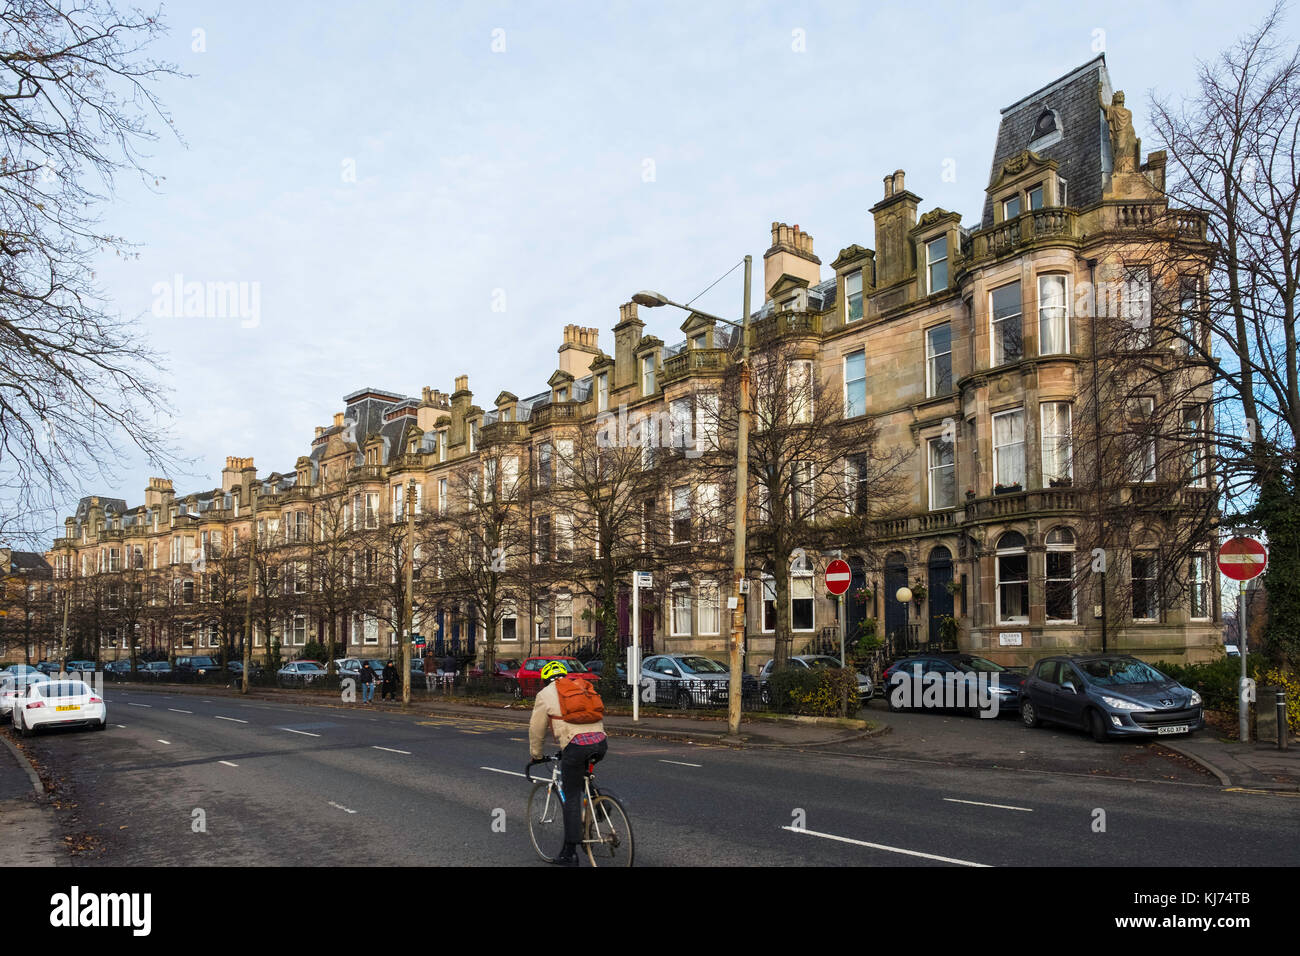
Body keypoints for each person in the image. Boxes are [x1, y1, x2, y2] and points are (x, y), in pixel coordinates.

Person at [528, 660, 606, 867]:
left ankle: (570, 853)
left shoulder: (545, 694)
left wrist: (536, 755)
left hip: (575, 744)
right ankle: (598, 797)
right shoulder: (580, 686)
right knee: (581, 774)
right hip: (600, 742)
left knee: (571, 797)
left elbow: (537, 728)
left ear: (545, 680)